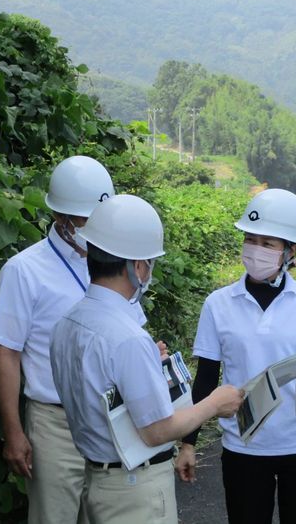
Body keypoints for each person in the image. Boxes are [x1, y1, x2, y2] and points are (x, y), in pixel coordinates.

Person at [49, 193, 244, 524]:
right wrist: (215, 403)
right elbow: (156, 432)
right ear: (137, 266)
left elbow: (99, 385)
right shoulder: (128, 338)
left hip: (96, 481)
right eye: (149, 263)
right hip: (134, 492)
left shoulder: (66, 323)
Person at [175, 188, 296, 524]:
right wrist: (188, 443)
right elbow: (205, 379)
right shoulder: (218, 304)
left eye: (268, 243)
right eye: (251, 239)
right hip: (243, 449)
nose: (255, 250)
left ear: (290, 251)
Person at [0, 155, 117, 524]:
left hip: (111, 418)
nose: (99, 229)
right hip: (55, 424)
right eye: (89, 221)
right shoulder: (24, 271)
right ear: (62, 219)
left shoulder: (114, 263)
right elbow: (6, 354)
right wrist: (13, 432)